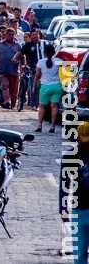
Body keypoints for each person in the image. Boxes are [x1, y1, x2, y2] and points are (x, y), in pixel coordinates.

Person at [59, 121, 89, 263]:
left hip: (79, 210)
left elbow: (64, 187)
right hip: (79, 211)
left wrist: (63, 209)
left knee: (79, 255)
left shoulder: (71, 155)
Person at [33, 43, 63, 133]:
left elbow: (37, 76)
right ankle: (52, 126)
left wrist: (34, 86)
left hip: (45, 87)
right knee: (54, 106)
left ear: (44, 52)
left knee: (42, 106)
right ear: (54, 52)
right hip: (57, 86)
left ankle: (39, 125)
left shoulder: (41, 62)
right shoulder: (59, 61)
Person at [0, 27, 22, 109]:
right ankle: (7, 101)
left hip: (14, 70)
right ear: (5, 35)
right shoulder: (0, 45)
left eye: (12, 34)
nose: (11, 36)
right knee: (4, 86)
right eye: (9, 34)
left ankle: (13, 105)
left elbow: (22, 56)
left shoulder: (18, 45)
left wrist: (22, 64)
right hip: (2, 69)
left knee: (13, 90)